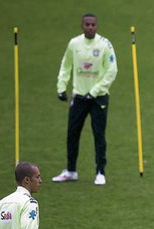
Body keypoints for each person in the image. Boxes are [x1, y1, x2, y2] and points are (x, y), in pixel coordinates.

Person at [53, 13, 118, 186]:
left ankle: (100, 172)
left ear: (97, 26)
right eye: (87, 24)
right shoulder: (74, 44)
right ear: (82, 26)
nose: (90, 27)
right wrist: (61, 87)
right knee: (72, 133)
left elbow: (112, 71)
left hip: (99, 98)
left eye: (93, 24)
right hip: (79, 96)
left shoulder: (105, 45)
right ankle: (71, 171)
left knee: (99, 134)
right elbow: (65, 66)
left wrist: (95, 90)